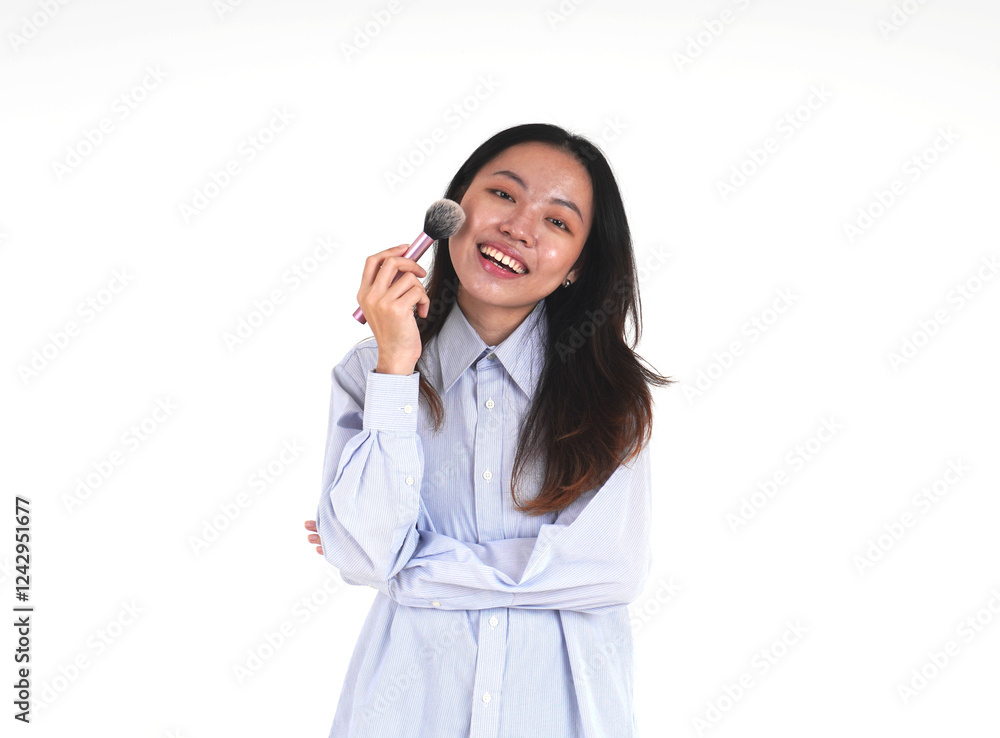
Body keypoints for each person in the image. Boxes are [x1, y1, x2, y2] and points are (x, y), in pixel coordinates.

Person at [303, 122, 673, 737]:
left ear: (578, 266)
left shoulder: (613, 392)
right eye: (504, 195)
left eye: (558, 222)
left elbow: (611, 567)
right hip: (405, 712)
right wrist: (395, 365)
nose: (519, 228)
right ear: (454, 209)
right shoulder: (366, 373)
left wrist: (411, 566)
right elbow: (367, 555)